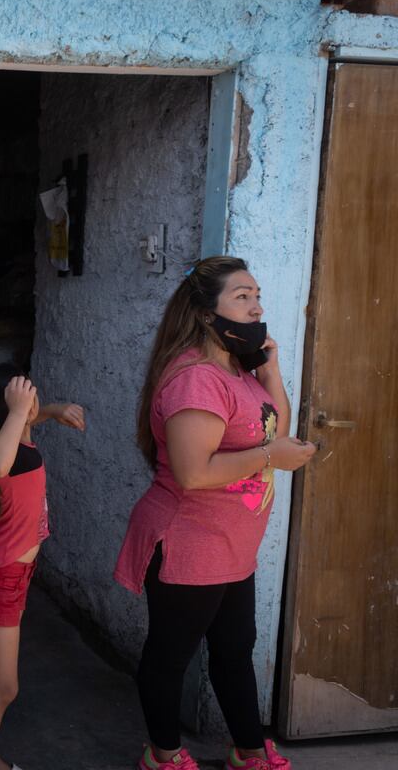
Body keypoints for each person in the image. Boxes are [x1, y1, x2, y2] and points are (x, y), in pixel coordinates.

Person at [114, 256, 317, 770]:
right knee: (170, 657)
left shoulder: (237, 369)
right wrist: (272, 457)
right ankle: (164, 756)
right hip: (189, 541)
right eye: (242, 296)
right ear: (207, 313)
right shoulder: (197, 379)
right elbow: (193, 473)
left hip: (231, 545)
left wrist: (269, 371)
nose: (257, 306)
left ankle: (248, 751)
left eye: (257, 295)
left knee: (233, 651)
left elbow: (276, 427)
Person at [0, 365, 85, 770]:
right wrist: (21, 412)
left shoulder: (15, 436)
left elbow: (18, 428)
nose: (32, 402)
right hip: (0, 578)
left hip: (1, 574)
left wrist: (50, 409)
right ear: (9, 409)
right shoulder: (3, 453)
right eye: (25, 396)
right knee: (3, 687)